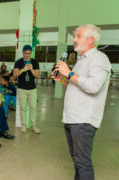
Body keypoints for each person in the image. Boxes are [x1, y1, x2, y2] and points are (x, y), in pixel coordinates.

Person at [52, 24, 111, 180]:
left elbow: (93, 86)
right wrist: (63, 79)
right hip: (72, 118)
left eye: (78, 36)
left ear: (91, 40)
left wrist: (69, 72)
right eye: (75, 36)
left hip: (83, 120)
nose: (74, 39)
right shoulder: (82, 60)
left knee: (83, 163)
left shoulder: (99, 58)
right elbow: (77, 83)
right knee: (78, 161)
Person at [13, 45, 41, 134]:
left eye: (29, 53)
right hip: (21, 89)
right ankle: (24, 125)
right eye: (25, 53)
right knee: (23, 108)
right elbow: (14, 75)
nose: (27, 55)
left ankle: (33, 126)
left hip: (32, 89)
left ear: (31, 53)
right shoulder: (18, 62)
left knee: (33, 107)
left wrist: (31, 69)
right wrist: (23, 70)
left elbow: (37, 75)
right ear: (22, 53)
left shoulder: (35, 62)